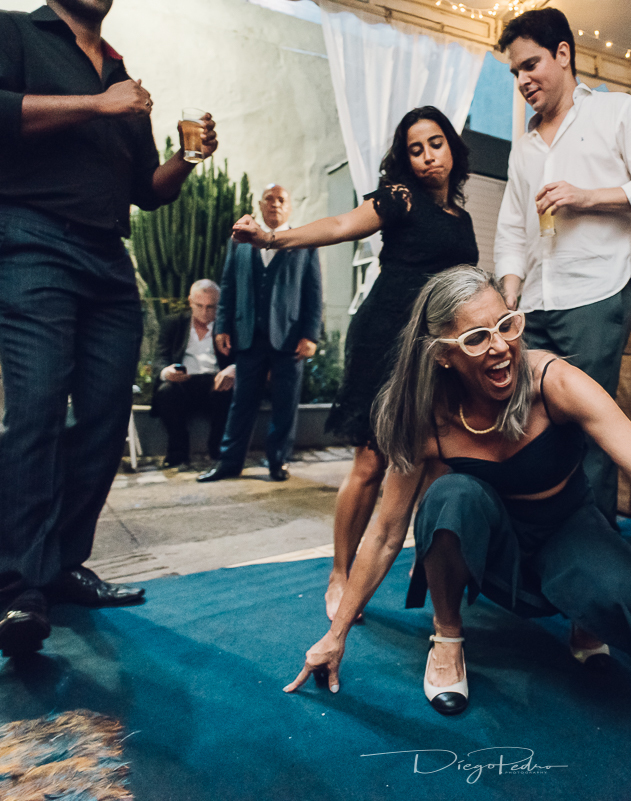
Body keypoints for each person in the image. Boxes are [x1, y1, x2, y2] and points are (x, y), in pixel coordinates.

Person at [284, 266, 631, 715]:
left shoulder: (556, 382)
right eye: (477, 338)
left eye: (506, 325)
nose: (500, 347)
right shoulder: (425, 417)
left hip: (566, 523)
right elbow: (386, 533)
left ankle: (582, 608)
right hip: (491, 538)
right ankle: (448, 638)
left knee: (624, 596)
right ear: (443, 355)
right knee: (450, 498)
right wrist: (336, 634)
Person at [0, 0, 219, 656]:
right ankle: (20, 590)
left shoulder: (122, 75)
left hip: (106, 255)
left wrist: (188, 157)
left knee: (104, 415)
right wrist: (98, 105)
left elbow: (146, 190)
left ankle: (63, 566)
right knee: (37, 408)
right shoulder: (9, 31)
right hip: (28, 235)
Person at [230, 107, 478, 619]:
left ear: (452, 147)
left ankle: (429, 566)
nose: (428, 157)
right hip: (386, 338)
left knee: (437, 461)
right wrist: (273, 239)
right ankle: (340, 574)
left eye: (435, 143)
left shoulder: (464, 218)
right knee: (371, 461)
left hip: (436, 349)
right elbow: (342, 224)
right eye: (415, 149)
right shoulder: (399, 197)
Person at [494, 8, 631, 528]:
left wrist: (590, 197)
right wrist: (508, 295)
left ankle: (594, 550)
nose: (522, 80)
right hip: (532, 304)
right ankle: (536, 544)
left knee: (592, 429)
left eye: (531, 64)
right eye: (515, 72)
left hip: (596, 296)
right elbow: (512, 227)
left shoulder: (618, 112)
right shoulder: (523, 147)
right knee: (527, 426)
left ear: (563, 54)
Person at [199, 185, 322, 483]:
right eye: (269, 199)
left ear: (289, 206)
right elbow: (228, 285)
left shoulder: (305, 243)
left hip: (289, 338)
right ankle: (229, 463)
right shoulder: (240, 243)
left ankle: (278, 461)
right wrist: (222, 326)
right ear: (260, 204)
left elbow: (314, 291)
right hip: (248, 336)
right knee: (241, 403)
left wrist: (311, 335)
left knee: (285, 404)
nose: (275, 204)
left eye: (281, 199)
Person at [151, 279, 235, 468]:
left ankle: (218, 450)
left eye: (211, 307)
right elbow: (159, 357)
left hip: (214, 381)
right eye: (199, 306)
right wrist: (166, 372)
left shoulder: (227, 326)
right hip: (183, 381)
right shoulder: (174, 323)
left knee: (228, 389)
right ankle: (178, 452)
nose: (205, 312)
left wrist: (232, 369)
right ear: (190, 302)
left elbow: (241, 357)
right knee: (166, 392)